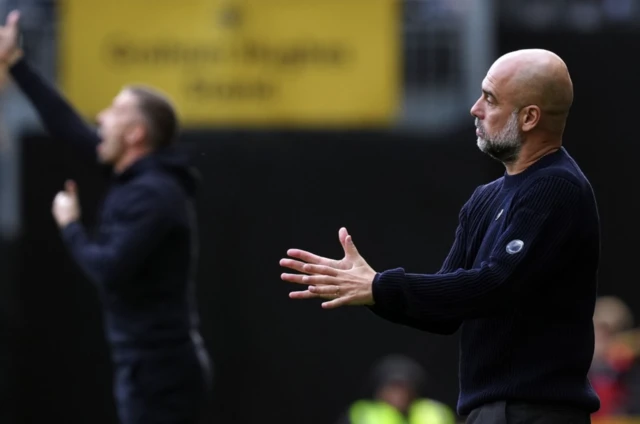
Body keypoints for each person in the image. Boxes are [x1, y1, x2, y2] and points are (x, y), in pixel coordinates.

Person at [280, 48, 601, 424]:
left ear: (529, 117)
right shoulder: (486, 198)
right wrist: (369, 290)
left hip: (535, 413)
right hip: (490, 412)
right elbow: (445, 310)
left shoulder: (557, 187)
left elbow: (497, 284)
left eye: (490, 98)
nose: (475, 108)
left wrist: (381, 287)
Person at [0, 11, 211, 424]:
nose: (100, 119)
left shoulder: (154, 193)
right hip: (146, 366)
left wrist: (70, 225)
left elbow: (109, 267)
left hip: (161, 372)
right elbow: (67, 127)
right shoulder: (139, 180)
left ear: (135, 135)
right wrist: (16, 62)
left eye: (114, 112)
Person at [335, 354, 456, 424]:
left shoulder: (434, 413)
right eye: (392, 387)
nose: (398, 395)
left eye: (404, 388)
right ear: (379, 391)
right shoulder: (361, 414)